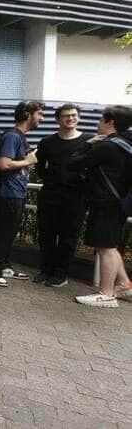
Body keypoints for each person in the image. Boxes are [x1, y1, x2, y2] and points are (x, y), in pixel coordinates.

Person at [68, 105, 132, 308]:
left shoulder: (108, 146)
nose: (97, 124)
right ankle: (124, 285)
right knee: (109, 244)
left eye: (100, 119)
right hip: (120, 202)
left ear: (110, 122)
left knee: (106, 248)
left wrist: (88, 143)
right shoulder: (126, 143)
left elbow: (73, 162)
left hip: (107, 202)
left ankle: (106, 294)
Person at [33, 104, 92, 287]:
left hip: (75, 197)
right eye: (66, 116)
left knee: (68, 236)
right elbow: (40, 168)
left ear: (79, 117)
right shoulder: (47, 142)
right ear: (58, 119)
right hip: (50, 194)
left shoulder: (88, 141)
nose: (70, 119)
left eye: (74, 115)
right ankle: (46, 270)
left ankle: (61, 274)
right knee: (46, 234)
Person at [0, 100, 45, 287]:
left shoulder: (20, 136)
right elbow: (4, 163)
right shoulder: (13, 136)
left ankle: (4, 266)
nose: (41, 119)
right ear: (28, 115)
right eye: (39, 114)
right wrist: (28, 161)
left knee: (9, 231)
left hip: (14, 192)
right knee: (4, 232)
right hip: (7, 193)